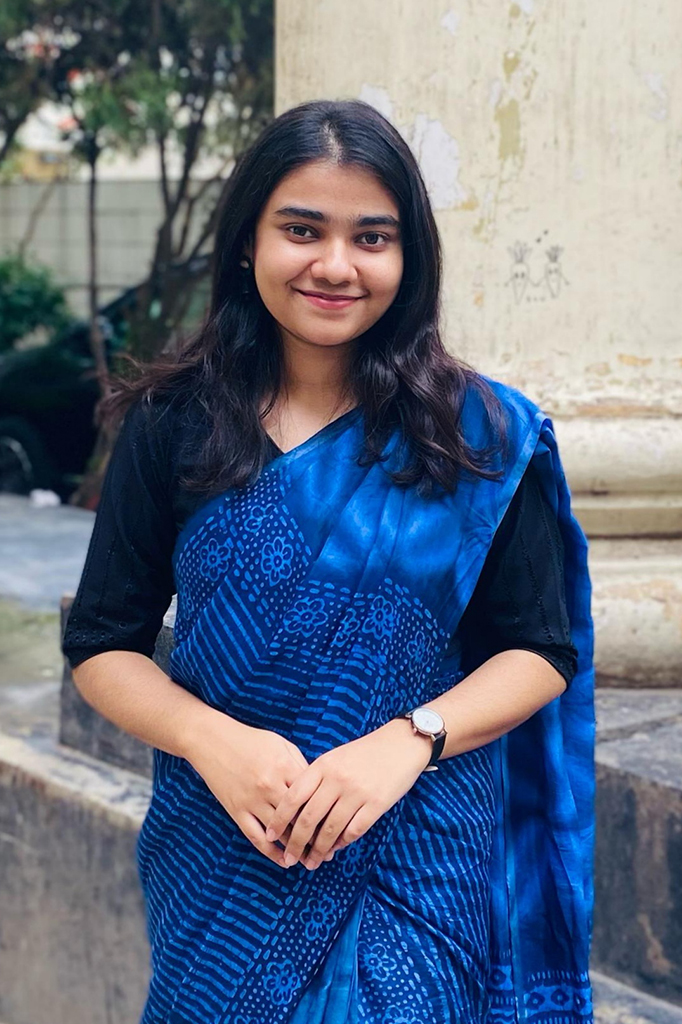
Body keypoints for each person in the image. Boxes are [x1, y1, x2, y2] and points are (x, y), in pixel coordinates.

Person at [61, 99, 595, 1024]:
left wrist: (408, 742)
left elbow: (540, 648)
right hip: (226, 850)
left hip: (414, 847)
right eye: (302, 230)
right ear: (248, 243)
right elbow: (103, 643)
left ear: (409, 257)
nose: (336, 266)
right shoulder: (173, 422)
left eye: (371, 238)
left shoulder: (478, 435)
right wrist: (212, 742)